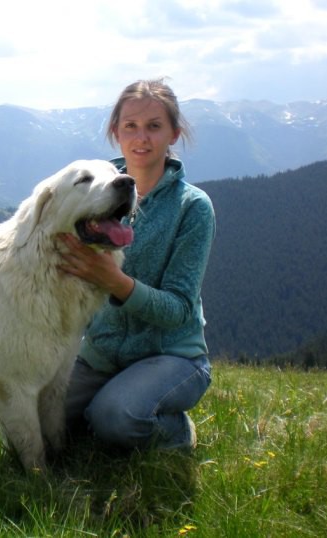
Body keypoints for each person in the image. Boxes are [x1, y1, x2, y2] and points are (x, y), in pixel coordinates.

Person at [58, 78, 215, 452]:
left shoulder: (192, 208)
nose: (141, 138)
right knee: (40, 414)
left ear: (173, 133)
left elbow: (179, 310)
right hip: (101, 354)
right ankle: (120, 405)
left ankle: (174, 429)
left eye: (154, 126)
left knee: (114, 418)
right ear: (116, 132)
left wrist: (116, 282)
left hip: (172, 356)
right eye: (130, 126)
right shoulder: (87, 192)